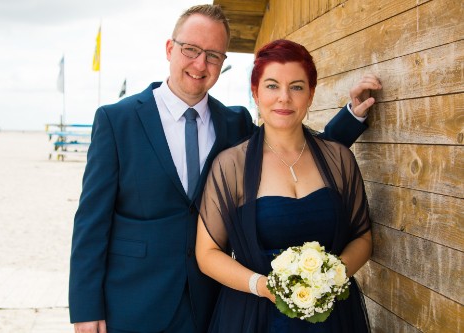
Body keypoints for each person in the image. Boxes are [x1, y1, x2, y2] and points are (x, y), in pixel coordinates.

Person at [69, 4, 381, 333]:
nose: (200, 63)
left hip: (211, 302)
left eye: (214, 55)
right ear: (169, 48)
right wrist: (86, 309)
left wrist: (352, 117)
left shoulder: (234, 122)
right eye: (190, 49)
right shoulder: (117, 121)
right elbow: (91, 223)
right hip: (135, 302)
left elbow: (291, 152)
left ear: (223, 63)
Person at [196, 39, 376, 332]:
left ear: (311, 94)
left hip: (331, 317)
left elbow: (363, 237)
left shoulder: (339, 159)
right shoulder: (232, 166)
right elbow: (207, 254)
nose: (284, 98)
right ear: (255, 93)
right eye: (271, 85)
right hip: (255, 317)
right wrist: (262, 286)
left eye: (296, 86)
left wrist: (330, 277)